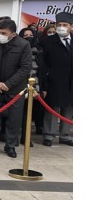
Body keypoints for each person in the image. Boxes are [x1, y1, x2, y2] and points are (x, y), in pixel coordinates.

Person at [0, 19, 32, 158]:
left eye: (4, 33)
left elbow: (25, 68)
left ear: (13, 34)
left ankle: (10, 146)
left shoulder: (23, 45)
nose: (0, 35)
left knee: (14, 119)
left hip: (15, 89)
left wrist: (8, 84)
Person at [39, 11, 73, 146]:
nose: (61, 27)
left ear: (71, 26)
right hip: (54, 81)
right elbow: (43, 65)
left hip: (72, 81)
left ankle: (65, 135)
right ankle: (49, 135)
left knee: (69, 108)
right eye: (59, 24)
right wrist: (44, 84)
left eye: (65, 25)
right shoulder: (47, 42)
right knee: (53, 109)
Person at [19, 27, 44, 138]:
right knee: (21, 113)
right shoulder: (18, 48)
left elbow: (42, 70)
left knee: (31, 113)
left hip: (35, 86)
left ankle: (26, 137)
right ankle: (18, 136)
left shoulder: (39, 50)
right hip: (20, 84)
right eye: (25, 35)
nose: (28, 37)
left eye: (30, 35)